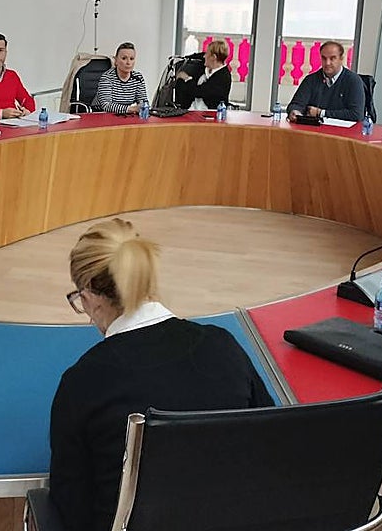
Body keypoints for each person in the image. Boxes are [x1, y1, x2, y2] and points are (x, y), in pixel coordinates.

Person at [48, 218, 273, 531]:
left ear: (92, 296)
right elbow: (270, 443)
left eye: (80, 301)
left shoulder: (81, 384)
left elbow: (69, 509)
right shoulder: (223, 346)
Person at [286, 41, 366, 122]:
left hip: (343, 132)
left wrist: (321, 113)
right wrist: (294, 111)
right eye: (324, 58)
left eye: (332, 58)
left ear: (341, 59)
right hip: (314, 130)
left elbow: (356, 114)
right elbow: (295, 104)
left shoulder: (353, 80)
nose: (327, 63)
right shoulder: (311, 79)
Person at [174, 39, 231, 110]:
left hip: (209, 115)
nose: (204, 56)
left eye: (207, 54)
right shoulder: (206, 64)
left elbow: (198, 91)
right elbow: (200, 55)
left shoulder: (223, 77)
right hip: (190, 109)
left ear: (213, 57)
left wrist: (186, 78)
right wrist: (185, 58)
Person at [95, 42, 148, 114]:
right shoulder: (107, 78)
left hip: (124, 115)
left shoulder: (138, 78)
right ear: (116, 60)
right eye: (124, 58)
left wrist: (142, 107)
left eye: (132, 59)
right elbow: (106, 105)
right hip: (101, 115)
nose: (128, 62)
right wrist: (131, 109)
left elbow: (143, 103)